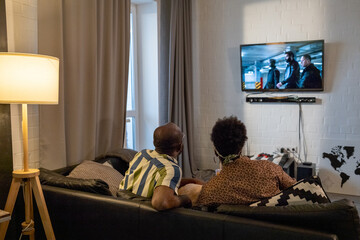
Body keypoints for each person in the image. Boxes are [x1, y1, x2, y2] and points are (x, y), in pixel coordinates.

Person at [194, 116, 296, 207]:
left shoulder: (209, 192)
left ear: (215, 151)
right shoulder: (270, 168)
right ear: (241, 147)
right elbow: (295, 189)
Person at [119, 122, 204, 211]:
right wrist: (185, 199)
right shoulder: (171, 169)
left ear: (154, 142)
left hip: (121, 208)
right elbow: (161, 203)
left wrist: (192, 181)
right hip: (143, 217)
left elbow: (155, 178)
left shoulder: (141, 155)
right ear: (180, 147)